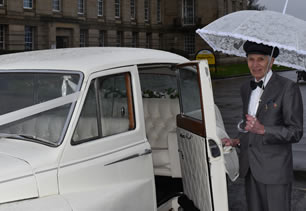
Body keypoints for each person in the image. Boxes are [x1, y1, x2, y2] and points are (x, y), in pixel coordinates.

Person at [223, 41, 303, 211]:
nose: (255, 64)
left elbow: (295, 132)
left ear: (271, 61)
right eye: (251, 59)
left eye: (261, 59)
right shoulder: (246, 88)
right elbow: (248, 126)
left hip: (275, 172)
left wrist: (263, 129)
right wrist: (237, 140)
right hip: (250, 168)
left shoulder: (288, 88)